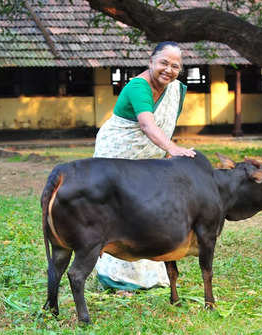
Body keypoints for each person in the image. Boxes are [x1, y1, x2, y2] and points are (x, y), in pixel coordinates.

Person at [93, 41, 196, 290]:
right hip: (117, 153)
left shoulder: (173, 90)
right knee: (119, 210)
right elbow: (148, 125)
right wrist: (172, 148)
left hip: (149, 158)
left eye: (175, 66)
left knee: (146, 210)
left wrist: (167, 152)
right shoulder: (139, 86)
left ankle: (149, 274)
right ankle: (115, 278)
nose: (169, 70)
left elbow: (165, 123)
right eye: (163, 62)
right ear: (151, 61)